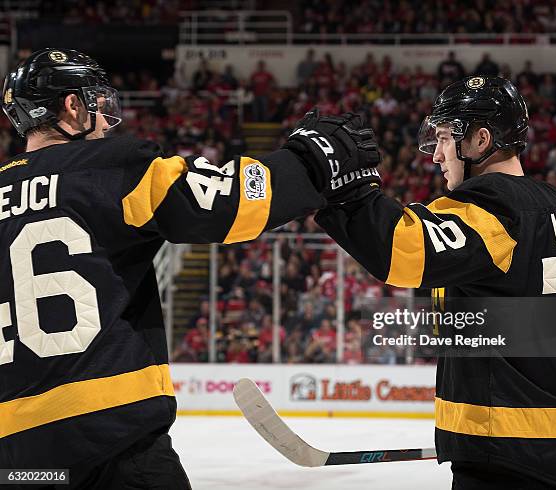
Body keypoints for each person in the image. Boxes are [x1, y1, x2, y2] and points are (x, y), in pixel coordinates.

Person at [0, 48, 380, 489]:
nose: (106, 122)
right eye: (98, 106)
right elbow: (223, 205)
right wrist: (311, 161)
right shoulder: (110, 166)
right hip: (110, 433)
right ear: (72, 106)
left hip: (17, 458)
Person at [314, 76, 556, 489]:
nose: (435, 154)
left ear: (481, 139)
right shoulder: (554, 204)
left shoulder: (492, 204)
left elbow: (402, 252)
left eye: (445, 138)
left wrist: (348, 189)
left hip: (513, 451)